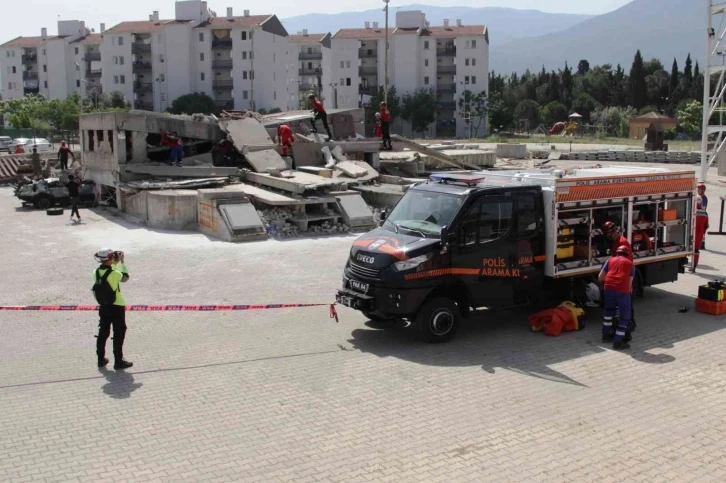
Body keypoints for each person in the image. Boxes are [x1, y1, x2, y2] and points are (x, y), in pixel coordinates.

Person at [93, 249, 133, 370]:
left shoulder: (95, 272)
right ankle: (118, 361)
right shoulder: (115, 274)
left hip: (104, 307)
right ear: (110, 259)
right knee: (119, 333)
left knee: (103, 332)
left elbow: (109, 273)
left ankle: (100, 359)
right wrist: (122, 262)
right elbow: (125, 277)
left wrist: (114, 263)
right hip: (117, 307)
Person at [599, 245, 635, 350]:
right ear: (627, 254)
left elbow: (600, 277)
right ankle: (618, 342)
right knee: (624, 317)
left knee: (609, 312)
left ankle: (605, 336)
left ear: (617, 253)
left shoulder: (609, 261)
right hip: (622, 291)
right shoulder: (630, 264)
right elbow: (629, 285)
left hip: (608, 288)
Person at [692, 195, 710, 273]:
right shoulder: (705, 213)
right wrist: (703, 233)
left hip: (691, 233)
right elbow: (706, 225)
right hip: (699, 234)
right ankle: (694, 267)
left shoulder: (692, 211)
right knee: (696, 250)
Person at [698, 183, 709, 249]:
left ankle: (702, 244)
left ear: (703, 190)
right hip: (699, 215)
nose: (698, 190)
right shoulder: (698, 197)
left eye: (700, 189)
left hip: (702, 215)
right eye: (698, 189)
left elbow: (703, 208)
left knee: (702, 230)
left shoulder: (704, 198)